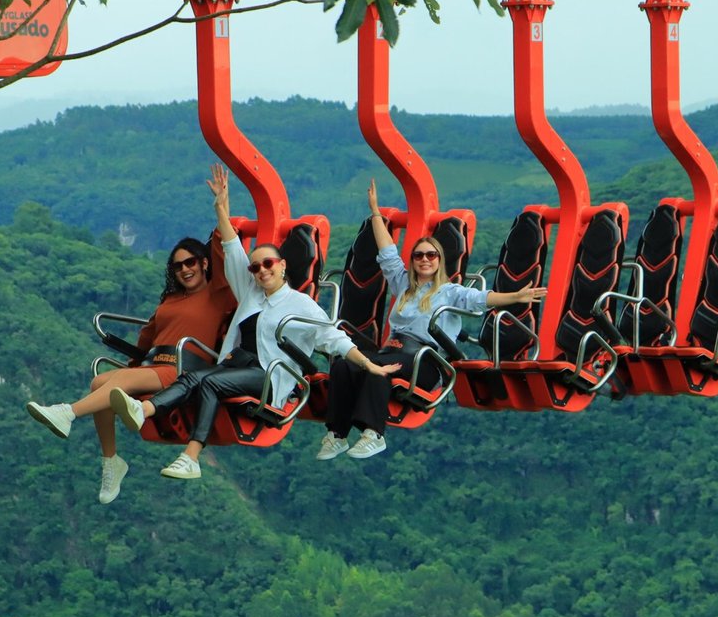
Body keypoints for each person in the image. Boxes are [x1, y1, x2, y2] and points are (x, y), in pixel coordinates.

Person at [108, 168, 399, 480]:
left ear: (283, 266)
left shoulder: (300, 304)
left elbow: (334, 339)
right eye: (256, 266)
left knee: (209, 382)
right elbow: (232, 248)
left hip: (268, 377)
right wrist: (221, 208)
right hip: (236, 366)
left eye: (268, 264)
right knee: (193, 378)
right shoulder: (250, 294)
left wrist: (370, 366)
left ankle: (191, 455)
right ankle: (145, 410)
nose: (262, 271)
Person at [26, 167, 238, 503]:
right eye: (178, 265)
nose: (185, 269)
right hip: (156, 363)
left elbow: (228, 250)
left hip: (186, 367)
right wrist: (134, 360)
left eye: (192, 262)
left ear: (204, 263)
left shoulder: (219, 293)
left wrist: (221, 205)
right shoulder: (171, 299)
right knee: (101, 383)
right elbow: (149, 334)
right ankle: (111, 462)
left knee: (114, 386)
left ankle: (67, 412)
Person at [315, 179, 547, 460]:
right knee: (344, 365)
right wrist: (376, 212)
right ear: (412, 261)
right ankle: (337, 434)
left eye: (431, 255)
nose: (425, 260)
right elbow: (387, 251)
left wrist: (515, 297)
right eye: (419, 255)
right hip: (393, 351)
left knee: (377, 366)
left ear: (440, 261)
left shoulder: (449, 292)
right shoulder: (402, 284)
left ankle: (373, 433)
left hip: (425, 361)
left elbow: (481, 299)